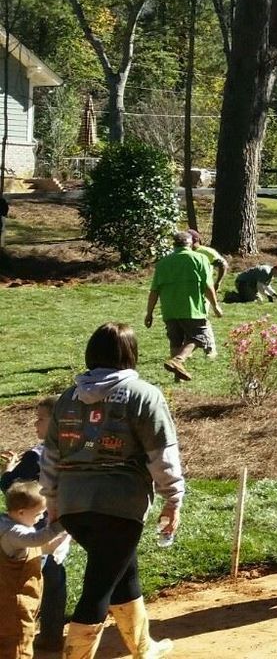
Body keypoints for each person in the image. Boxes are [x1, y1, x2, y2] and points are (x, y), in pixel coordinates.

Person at [41, 323, 183, 659]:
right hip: (120, 506)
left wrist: (52, 500)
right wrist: (173, 498)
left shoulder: (67, 398)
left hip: (74, 505)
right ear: (131, 354)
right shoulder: (145, 395)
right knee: (98, 587)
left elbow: (50, 455)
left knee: (122, 570)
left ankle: (143, 646)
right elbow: (161, 453)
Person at [0, 398, 65, 650]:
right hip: (55, 528)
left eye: (40, 418)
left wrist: (8, 472)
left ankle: (20, 631)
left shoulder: (36, 455)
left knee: (28, 585)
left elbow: (12, 490)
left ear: (56, 421)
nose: (35, 423)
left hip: (32, 533)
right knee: (55, 582)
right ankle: (51, 637)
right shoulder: (76, 452)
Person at [143, 231, 222, 383]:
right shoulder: (200, 258)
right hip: (192, 308)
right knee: (200, 338)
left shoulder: (163, 263)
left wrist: (149, 313)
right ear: (191, 243)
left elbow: (154, 291)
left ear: (174, 245)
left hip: (169, 309)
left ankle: (177, 377)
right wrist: (215, 306)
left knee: (176, 340)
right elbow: (207, 286)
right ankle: (178, 360)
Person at [1, 480, 66, 659]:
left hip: (11, 602)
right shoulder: (14, 532)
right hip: (15, 603)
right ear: (21, 512)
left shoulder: (5, 523)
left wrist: (60, 538)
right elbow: (38, 539)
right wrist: (62, 522)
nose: (40, 518)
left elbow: (39, 547)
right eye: (38, 515)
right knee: (19, 645)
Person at [187, 230, 228, 295]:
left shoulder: (206, 251)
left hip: (204, 287)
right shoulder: (184, 253)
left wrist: (218, 282)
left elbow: (223, 264)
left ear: (195, 239)